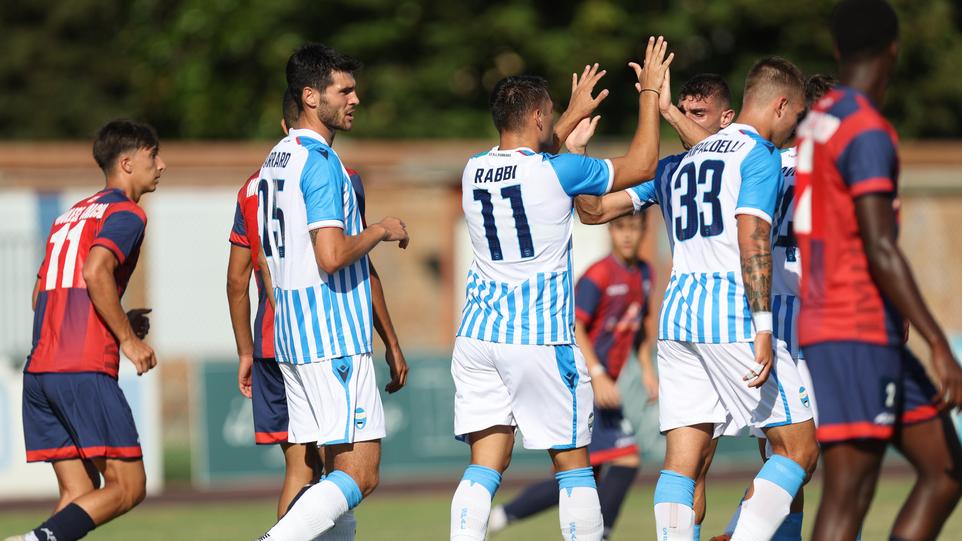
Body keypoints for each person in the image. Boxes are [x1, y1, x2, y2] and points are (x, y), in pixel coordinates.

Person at [449, 36, 673, 541]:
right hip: (541, 339)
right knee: (574, 466)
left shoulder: (472, 171)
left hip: (478, 338)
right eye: (549, 116)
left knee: (486, 464)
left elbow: (529, 160)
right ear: (536, 119)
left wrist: (568, 115)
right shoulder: (561, 169)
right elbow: (640, 165)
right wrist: (649, 94)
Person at [795, 1, 962, 539]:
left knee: (945, 470)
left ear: (840, 50)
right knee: (849, 493)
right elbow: (881, 247)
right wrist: (940, 343)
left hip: (860, 329)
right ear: (893, 48)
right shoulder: (866, 130)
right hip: (853, 329)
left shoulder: (817, 122)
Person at [255, 43, 410, 541]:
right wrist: (381, 229)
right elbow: (331, 254)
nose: (355, 98)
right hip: (332, 335)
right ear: (310, 96)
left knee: (328, 476)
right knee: (360, 473)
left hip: (293, 334)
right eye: (344, 90)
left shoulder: (275, 159)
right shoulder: (321, 161)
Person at [7, 120, 165, 541]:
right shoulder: (126, 213)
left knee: (79, 493)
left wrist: (117, 320)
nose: (162, 165)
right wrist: (128, 340)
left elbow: (43, 295)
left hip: (41, 371)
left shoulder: (69, 216)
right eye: (154, 156)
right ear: (128, 163)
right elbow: (96, 271)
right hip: (82, 369)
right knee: (129, 487)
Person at [708, 73, 838, 541]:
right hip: (816, 322)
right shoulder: (834, 166)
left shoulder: (768, 158)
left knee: (787, 455)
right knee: (833, 456)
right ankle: (738, 533)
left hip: (767, 313)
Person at [487, 213, 657, 541]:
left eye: (634, 228)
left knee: (577, 473)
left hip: (602, 384)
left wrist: (647, 367)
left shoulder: (645, 273)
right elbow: (575, 326)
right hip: (582, 381)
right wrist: (597, 374)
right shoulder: (599, 275)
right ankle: (599, 534)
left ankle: (500, 517)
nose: (627, 236)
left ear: (643, 231)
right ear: (610, 230)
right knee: (625, 459)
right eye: (620, 227)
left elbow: (642, 325)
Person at [226, 91, 324, 518]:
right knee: (344, 469)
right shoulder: (332, 173)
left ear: (284, 129)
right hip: (317, 339)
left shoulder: (251, 187)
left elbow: (235, 280)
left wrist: (245, 350)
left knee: (299, 469)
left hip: (267, 343)